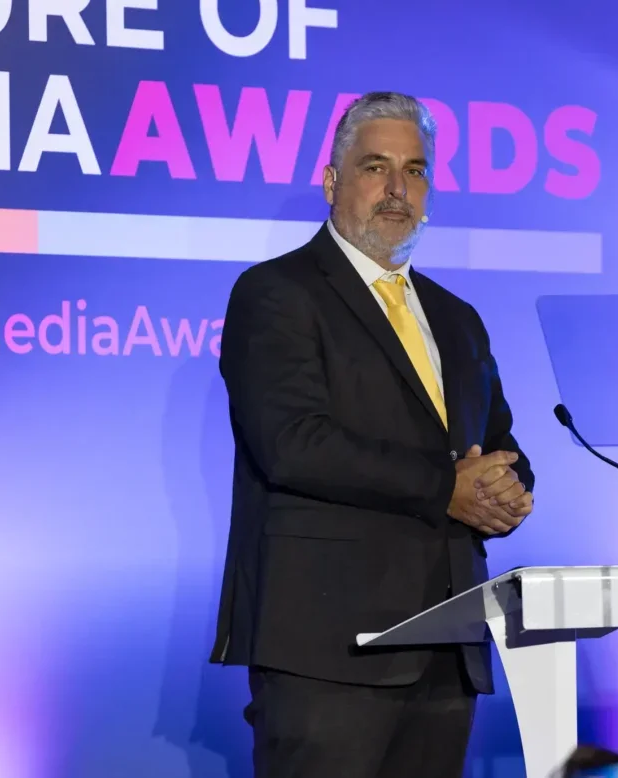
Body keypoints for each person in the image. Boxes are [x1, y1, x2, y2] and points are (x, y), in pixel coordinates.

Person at [208, 92, 536, 778]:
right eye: (375, 168)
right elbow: (293, 442)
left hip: (446, 645)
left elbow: (497, 441)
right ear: (332, 182)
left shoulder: (456, 316)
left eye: (414, 171)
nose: (396, 190)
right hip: (329, 652)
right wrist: (448, 489)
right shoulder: (277, 294)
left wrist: (508, 490)